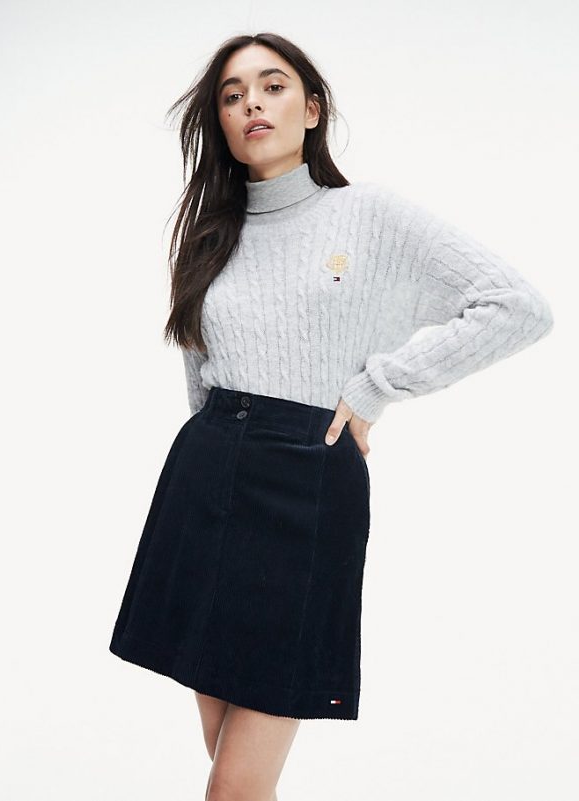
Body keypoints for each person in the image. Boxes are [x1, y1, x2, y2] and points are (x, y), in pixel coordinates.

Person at [109, 32, 554, 801]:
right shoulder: (208, 236)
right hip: (206, 477)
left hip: (307, 486)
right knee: (229, 764)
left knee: (235, 784)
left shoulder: (368, 215)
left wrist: (378, 386)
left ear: (312, 109)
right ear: (220, 122)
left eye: (273, 85)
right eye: (232, 95)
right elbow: (200, 377)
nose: (252, 103)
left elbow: (517, 306)